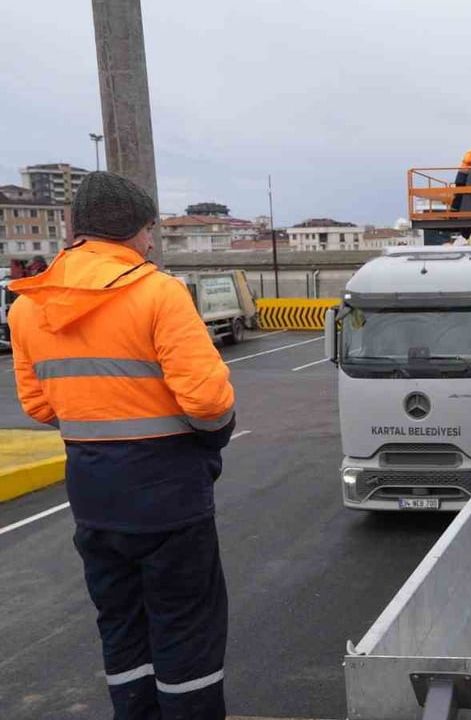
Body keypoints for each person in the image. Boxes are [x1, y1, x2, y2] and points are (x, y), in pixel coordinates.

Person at [8, 172, 236, 719]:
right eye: (151, 230)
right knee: (186, 627)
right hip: (169, 500)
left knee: (121, 626)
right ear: (136, 229)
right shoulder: (159, 292)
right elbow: (208, 404)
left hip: (93, 500)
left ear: (78, 229)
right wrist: (212, 439)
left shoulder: (27, 307)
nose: (153, 243)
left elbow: (39, 407)